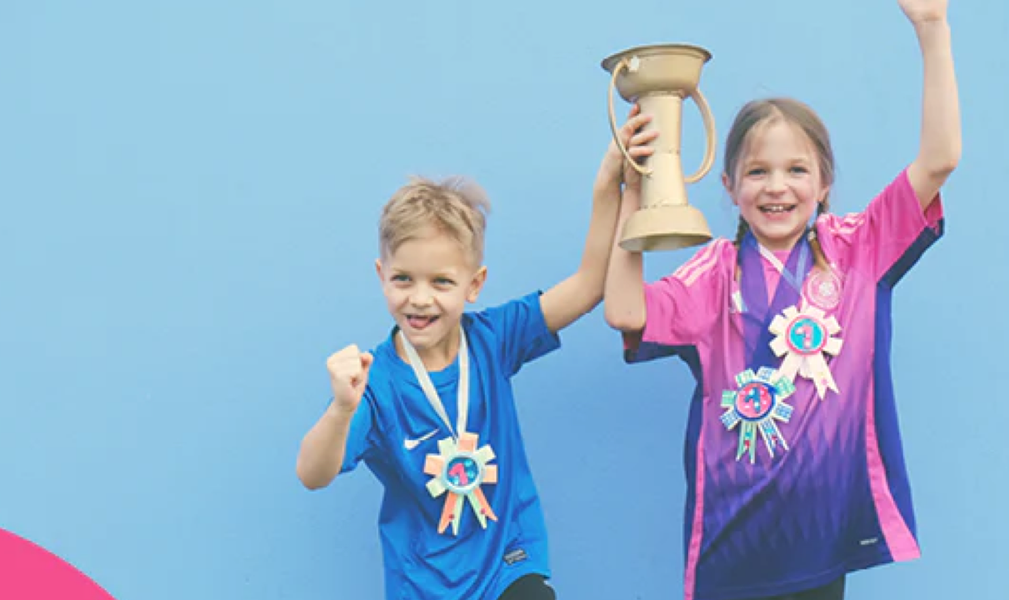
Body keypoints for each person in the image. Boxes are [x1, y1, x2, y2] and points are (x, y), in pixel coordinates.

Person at [600, 2, 962, 599]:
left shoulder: (859, 249)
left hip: (822, 542)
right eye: (757, 172)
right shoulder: (712, 276)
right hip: (732, 545)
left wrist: (932, 29)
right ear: (729, 186)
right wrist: (635, 193)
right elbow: (623, 311)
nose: (776, 187)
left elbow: (940, 159)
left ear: (824, 183)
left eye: (796, 170)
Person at [295, 107, 658, 600]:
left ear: (474, 284)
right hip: (423, 587)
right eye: (403, 279)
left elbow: (589, 285)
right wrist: (341, 409)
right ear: (381, 276)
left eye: (441, 282)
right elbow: (312, 474)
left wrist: (607, 183)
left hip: (509, 566)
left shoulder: (492, 338)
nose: (419, 298)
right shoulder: (374, 382)